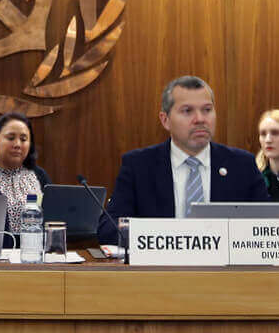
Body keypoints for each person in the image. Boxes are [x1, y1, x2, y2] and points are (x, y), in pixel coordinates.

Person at [99, 76, 269, 245]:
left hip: (224, 271)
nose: (200, 119)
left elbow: (269, 226)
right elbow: (109, 228)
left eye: (207, 110)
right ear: (165, 120)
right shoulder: (139, 166)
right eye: (187, 111)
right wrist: (166, 239)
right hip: (162, 270)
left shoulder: (241, 165)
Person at [0, 111, 53, 234]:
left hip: (33, 247)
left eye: (23, 139)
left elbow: (53, 217)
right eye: (10, 138)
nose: (17, 145)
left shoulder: (39, 175)